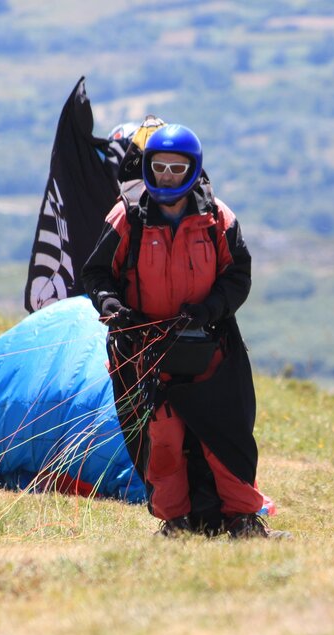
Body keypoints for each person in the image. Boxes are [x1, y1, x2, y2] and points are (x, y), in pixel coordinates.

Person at [82, 123, 287, 539]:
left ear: (193, 169)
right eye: (160, 167)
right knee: (163, 440)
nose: (168, 177)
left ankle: (242, 520)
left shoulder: (217, 218)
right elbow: (97, 272)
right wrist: (112, 307)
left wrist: (210, 309)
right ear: (147, 166)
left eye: (178, 168)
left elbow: (238, 276)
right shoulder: (126, 216)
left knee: (224, 437)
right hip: (145, 352)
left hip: (209, 348)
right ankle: (176, 523)